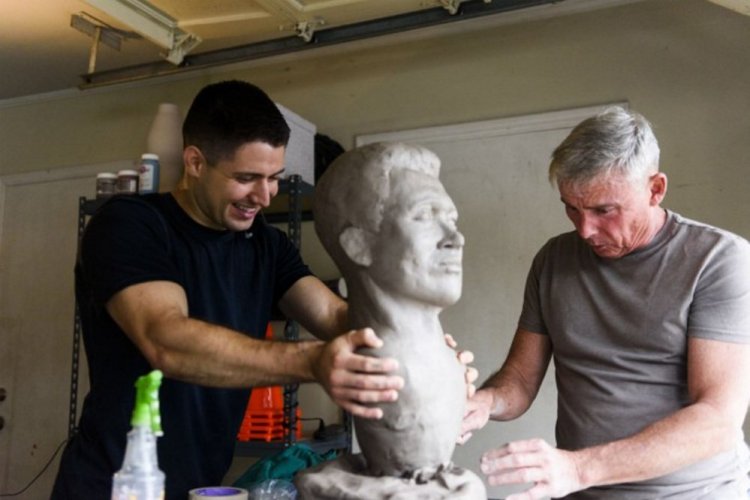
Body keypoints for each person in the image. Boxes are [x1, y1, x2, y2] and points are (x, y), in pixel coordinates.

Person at [51, 80, 405, 499]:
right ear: (195, 162)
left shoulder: (266, 244)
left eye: (274, 178)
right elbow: (166, 340)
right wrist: (314, 361)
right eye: (246, 177)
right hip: (111, 486)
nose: (264, 195)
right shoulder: (130, 224)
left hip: (199, 485)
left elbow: (333, 316)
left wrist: (410, 335)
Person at [461, 106, 750, 499]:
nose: (585, 230)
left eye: (604, 210)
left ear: (655, 189)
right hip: (585, 490)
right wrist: (485, 402)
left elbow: (718, 418)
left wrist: (579, 468)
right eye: (571, 208)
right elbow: (520, 381)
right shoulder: (553, 260)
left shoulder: (718, 260)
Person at [296, 142, 485, 499]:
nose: (455, 238)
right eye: (425, 216)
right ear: (359, 245)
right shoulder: (386, 366)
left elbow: (337, 314)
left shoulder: (439, 363)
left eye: (451, 219)